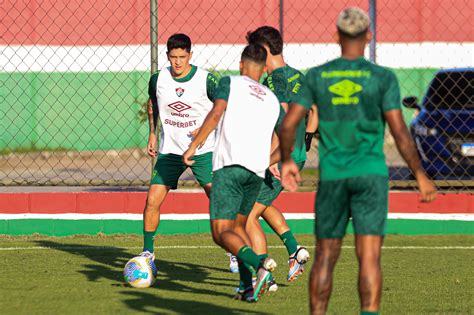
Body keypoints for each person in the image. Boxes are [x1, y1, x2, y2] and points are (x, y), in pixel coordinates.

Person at [279, 8, 437, 315]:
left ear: (336, 36)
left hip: (334, 176)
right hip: (371, 175)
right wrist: (419, 173)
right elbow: (400, 130)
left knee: (325, 254)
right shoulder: (382, 78)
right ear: (368, 36)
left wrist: (287, 161)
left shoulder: (317, 75)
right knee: (368, 256)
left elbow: (288, 125)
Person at [183, 43, 281, 302]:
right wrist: (273, 160)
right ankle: (246, 287)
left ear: (241, 64)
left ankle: (259, 263)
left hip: (230, 168)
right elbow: (286, 140)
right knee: (238, 229)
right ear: (264, 69)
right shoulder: (271, 99)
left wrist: (194, 146)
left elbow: (216, 112)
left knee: (220, 233)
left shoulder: (231, 83)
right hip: (256, 173)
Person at [139, 33, 218, 263]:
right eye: (173, 57)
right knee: (152, 200)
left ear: (190, 55)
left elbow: (223, 107)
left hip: (202, 150)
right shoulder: (158, 79)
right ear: (167, 56)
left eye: (182, 57)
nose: (177, 62)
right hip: (171, 151)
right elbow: (153, 102)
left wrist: (206, 129)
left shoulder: (206, 80)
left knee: (218, 201)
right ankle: (147, 252)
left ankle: (233, 253)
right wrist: (153, 133)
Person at [244, 26, 314, 286]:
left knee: (247, 215)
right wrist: (306, 140)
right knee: (260, 203)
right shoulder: (299, 76)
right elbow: (314, 110)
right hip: (294, 154)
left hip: (279, 155)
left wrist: (275, 158)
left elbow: (281, 120)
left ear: (263, 51)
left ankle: (264, 275)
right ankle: (295, 251)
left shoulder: (274, 80)